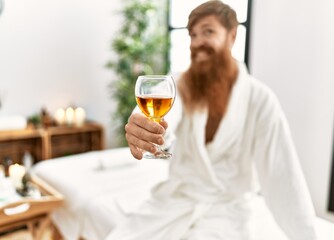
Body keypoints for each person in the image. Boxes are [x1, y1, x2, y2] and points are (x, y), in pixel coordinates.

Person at [107, 1, 317, 239]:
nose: (197, 43)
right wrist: (144, 129)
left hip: (228, 211)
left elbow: (283, 177)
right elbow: (162, 117)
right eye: (193, 35)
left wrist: (307, 235)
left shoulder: (260, 100)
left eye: (208, 32)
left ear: (232, 36)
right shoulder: (181, 84)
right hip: (174, 202)